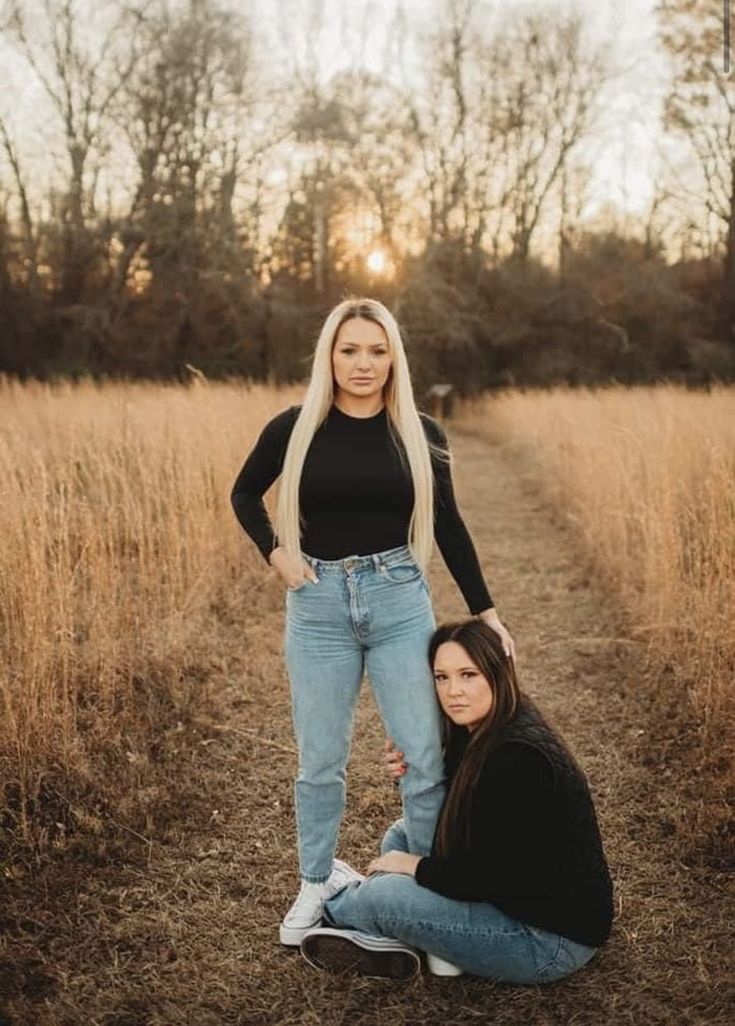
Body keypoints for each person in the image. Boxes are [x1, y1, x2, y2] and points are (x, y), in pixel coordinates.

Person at [230, 298, 514, 945]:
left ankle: (425, 890)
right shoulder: (294, 427)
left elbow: (448, 525)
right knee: (320, 759)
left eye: (377, 351)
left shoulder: (420, 431)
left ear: (394, 358)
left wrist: (486, 613)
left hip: (397, 602)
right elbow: (244, 493)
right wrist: (274, 551)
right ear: (329, 354)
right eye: (350, 350)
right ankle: (315, 882)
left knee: (421, 754)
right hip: (317, 607)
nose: (363, 364)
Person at [300, 619, 614, 982]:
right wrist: (412, 769)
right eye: (441, 677)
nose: (453, 691)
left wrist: (413, 867)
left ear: (497, 673)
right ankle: (414, 938)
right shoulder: (488, 727)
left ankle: (337, 901)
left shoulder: (517, 757)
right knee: (400, 836)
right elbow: (462, 814)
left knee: (383, 894)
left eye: (468, 675)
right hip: (509, 897)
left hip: (546, 939)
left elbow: (483, 876)